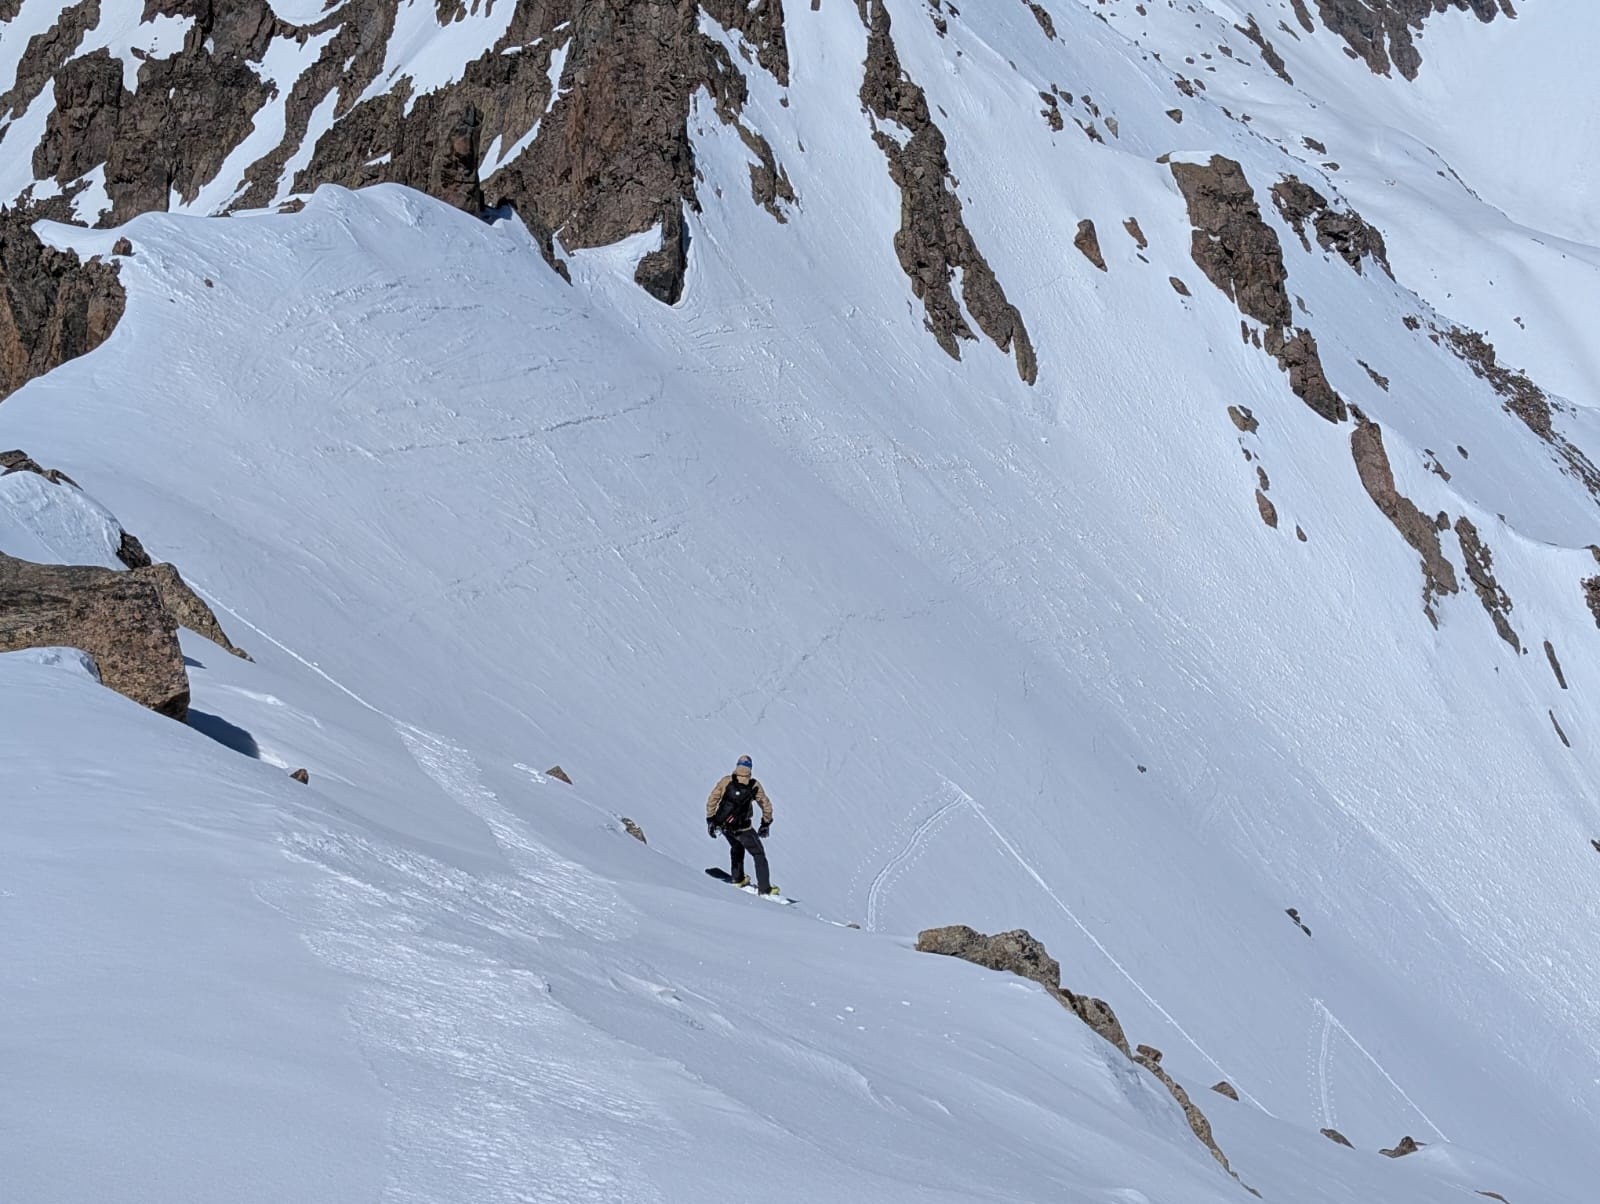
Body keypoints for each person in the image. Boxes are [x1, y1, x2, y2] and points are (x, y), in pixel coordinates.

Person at [706, 754, 777, 895]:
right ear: (750, 769)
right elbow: (766, 805)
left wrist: (711, 819)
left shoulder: (726, 781)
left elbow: (712, 799)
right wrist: (765, 823)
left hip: (725, 826)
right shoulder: (753, 785)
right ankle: (765, 889)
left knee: (736, 847)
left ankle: (737, 878)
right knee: (758, 854)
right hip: (744, 828)